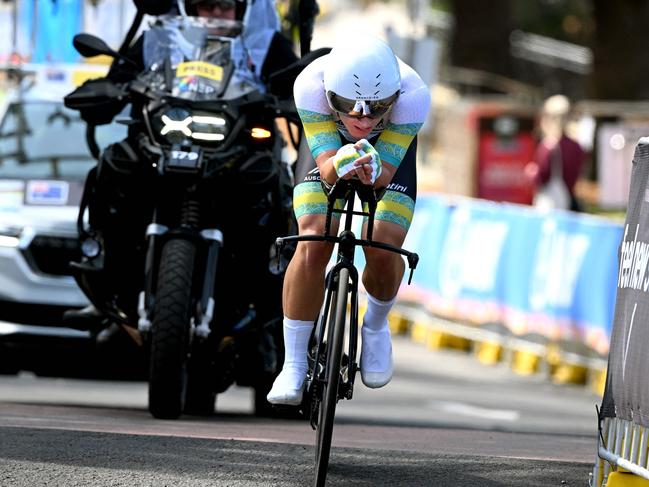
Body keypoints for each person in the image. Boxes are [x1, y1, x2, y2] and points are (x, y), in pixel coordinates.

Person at [266, 36, 431, 405]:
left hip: (388, 151)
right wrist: (338, 163)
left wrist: (374, 168)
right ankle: (292, 363)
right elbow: (325, 168)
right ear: (329, 96)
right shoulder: (310, 85)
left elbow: (386, 172)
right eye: (348, 107)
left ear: (393, 99)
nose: (362, 119)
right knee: (312, 239)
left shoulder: (414, 95)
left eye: (376, 109)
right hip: (328, 145)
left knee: (383, 242)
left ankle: (374, 325)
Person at [526, 94, 586, 212]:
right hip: (569, 200)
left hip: (552, 204)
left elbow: (542, 178)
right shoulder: (577, 146)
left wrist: (531, 172)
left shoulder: (549, 146)